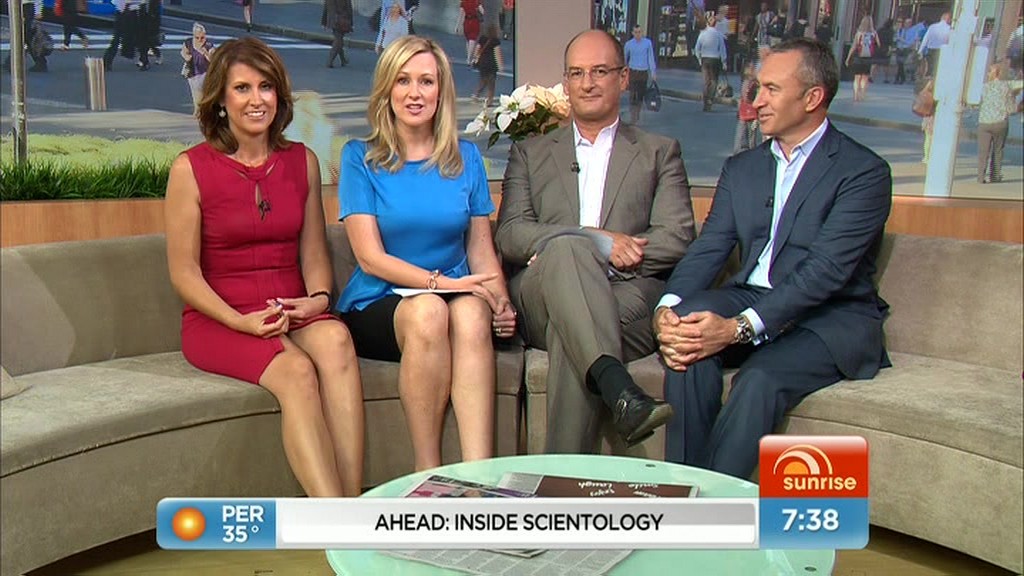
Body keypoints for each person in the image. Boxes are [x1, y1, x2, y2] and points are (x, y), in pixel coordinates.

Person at [656, 37, 892, 480]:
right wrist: (667, 308)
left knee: (759, 379)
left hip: (830, 316)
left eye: (771, 89)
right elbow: (709, 247)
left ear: (812, 97)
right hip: (753, 294)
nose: (755, 101)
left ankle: (716, 508)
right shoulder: (742, 167)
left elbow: (825, 272)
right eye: (757, 87)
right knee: (687, 336)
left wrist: (738, 328)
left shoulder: (863, 172)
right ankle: (685, 490)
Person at [165, 37, 365, 497]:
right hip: (221, 319)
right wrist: (240, 321)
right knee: (295, 372)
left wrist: (316, 301)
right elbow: (184, 274)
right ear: (220, 99)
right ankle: (333, 518)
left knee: (336, 339)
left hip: (289, 309)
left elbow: (313, 254)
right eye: (242, 88)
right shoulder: (189, 169)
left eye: (266, 87)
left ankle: (354, 506)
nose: (257, 100)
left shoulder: (303, 161)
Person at [495, 30, 695, 454]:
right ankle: (617, 387)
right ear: (566, 82)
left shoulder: (659, 152)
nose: (587, 83)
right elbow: (511, 233)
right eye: (577, 73)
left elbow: (676, 236)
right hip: (539, 295)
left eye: (600, 71)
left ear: (623, 78)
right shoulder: (531, 152)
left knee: (573, 327)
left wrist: (608, 259)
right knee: (570, 247)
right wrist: (593, 242)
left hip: (626, 295)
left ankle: (566, 473)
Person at [336, 35, 512, 471]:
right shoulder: (359, 158)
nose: (415, 93)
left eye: (426, 81)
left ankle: (478, 478)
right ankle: (427, 474)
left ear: (441, 91)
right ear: (387, 89)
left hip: (453, 291)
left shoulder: (466, 158)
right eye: (403, 81)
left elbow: (480, 248)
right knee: (430, 311)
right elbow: (370, 258)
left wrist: (501, 301)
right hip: (380, 299)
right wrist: (441, 284)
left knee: (473, 314)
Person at [976, 62, 1023, 184]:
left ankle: (980, 177)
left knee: (983, 152)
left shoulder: (984, 87)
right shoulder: (1007, 85)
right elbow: (1012, 108)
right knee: (998, 150)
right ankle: (995, 176)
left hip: (984, 122)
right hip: (1000, 122)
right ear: (1001, 73)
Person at [623, 25, 657, 124]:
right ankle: (633, 116)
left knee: (640, 94)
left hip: (643, 72)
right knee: (633, 94)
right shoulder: (629, 44)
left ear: (642, 33)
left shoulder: (647, 43)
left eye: (639, 32)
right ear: (632, 33)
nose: (638, 34)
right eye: (636, 32)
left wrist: (653, 72)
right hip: (633, 72)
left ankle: (637, 113)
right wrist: (623, 72)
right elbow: (625, 59)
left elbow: (651, 58)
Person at [695, 13, 727, 112]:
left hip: (705, 59)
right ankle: (710, 99)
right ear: (715, 24)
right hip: (715, 59)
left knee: (706, 81)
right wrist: (724, 61)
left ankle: (705, 101)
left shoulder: (702, 34)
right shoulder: (718, 34)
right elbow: (722, 49)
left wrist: (699, 59)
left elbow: (697, 48)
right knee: (714, 81)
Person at [181, 23, 215, 115]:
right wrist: (186, 56)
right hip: (192, 71)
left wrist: (205, 53)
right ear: (193, 36)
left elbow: (213, 59)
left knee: (202, 91)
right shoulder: (188, 43)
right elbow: (183, 51)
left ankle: (202, 109)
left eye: (202, 37)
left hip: (205, 72)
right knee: (195, 91)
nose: (200, 40)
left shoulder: (208, 45)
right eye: (197, 38)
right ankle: (197, 109)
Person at [845, 16, 877, 102]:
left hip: (858, 57)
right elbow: (878, 45)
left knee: (857, 77)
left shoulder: (859, 33)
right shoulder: (874, 34)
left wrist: (848, 58)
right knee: (865, 77)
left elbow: (854, 46)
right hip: (868, 58)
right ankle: (862, 94)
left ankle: (856, 95)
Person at [472, 24, 503, 106]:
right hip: (492, 63)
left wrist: (475, 59)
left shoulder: (482, 39)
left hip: (482, 63)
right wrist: (500, 66)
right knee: (491, 84)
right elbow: (497, 54)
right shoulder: (495, 41)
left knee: (483, 80)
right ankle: (489, 100)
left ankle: (476, 95)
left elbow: (477, 50)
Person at [733, 60, 759, 153]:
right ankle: (750, 152)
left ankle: (739, 151)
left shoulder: (745, 81)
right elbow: (748, 96)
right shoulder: (752, 83)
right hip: (751, 111)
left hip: (744, 111)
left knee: (742, 133)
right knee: (751, 135)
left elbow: (744, 97)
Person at [918, 12, 951, 78]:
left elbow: (926, 39)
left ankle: (929, 79)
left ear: (941, 18)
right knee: (938, 69)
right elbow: (949, 41)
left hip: (931, 50)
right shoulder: (949, 28)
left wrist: (920, 50)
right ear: (948, 19)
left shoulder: (932, 27)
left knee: (930, 68)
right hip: (942, 51)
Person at [322, 0, 353, 67]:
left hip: (332, 20)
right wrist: (351, 23)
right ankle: (330, 61)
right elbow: (349, 9)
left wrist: (323, 22)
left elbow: (326, 7)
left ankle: (343, 59)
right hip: (342, 19)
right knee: (338, 40)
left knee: (339, 40)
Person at [458, 0, 483, 66]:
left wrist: (458, 26)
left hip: (466, 22)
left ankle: (468, 57)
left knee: (468, 40)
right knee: (472, 39)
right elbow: (482, 12)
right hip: (475, 22)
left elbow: (461, 15)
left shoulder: (463, 2)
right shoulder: (477, 2)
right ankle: (469, 58)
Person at [894, 17, 915, 85]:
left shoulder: (913, 31)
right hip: (899, 48)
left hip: (906, 48)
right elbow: (896, 38)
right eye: (906, 22)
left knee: (901, 63)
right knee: (899, 64)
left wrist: (902, 40)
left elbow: (911, 42)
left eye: (909, 23)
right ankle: (900, 78)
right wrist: (896, 39)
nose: (906, 24)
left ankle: (899, 78)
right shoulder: (900, 30)